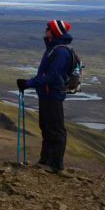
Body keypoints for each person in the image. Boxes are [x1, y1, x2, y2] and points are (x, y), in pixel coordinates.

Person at [16, 20, 73, 173]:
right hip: (47, 94)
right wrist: (30, 83)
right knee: (46, 129)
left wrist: (28, 83)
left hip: (52, 95)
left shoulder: (60, 51)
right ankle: (45, 161)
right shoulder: (53, 48)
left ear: (55, 32)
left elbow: (52, 77)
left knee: (55, 130)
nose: (44, 30)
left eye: (48, 29)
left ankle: (55, 165)